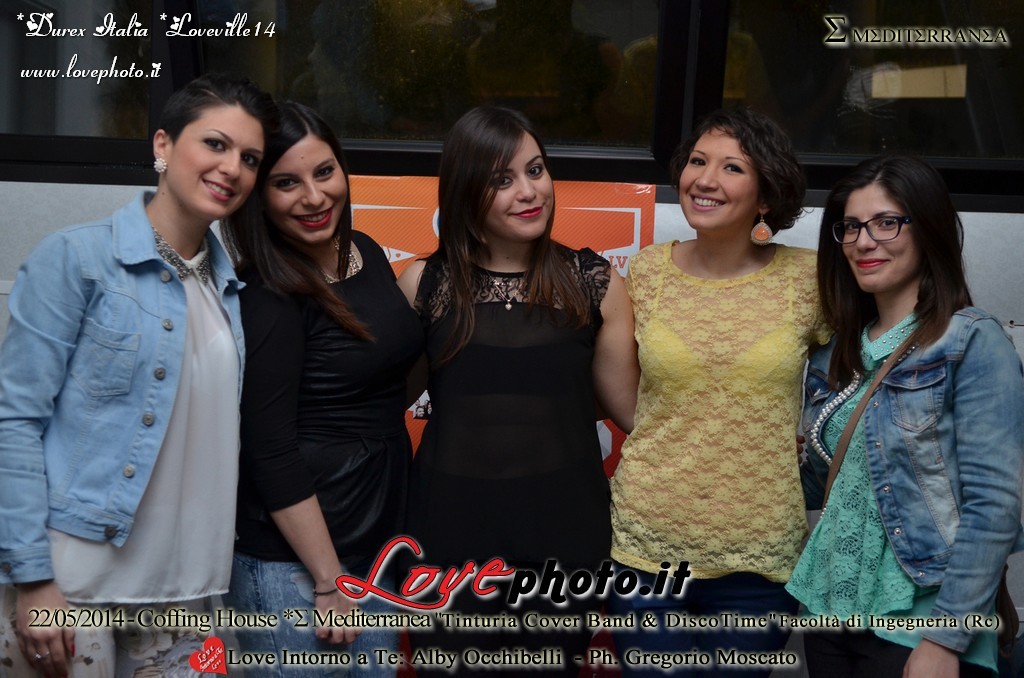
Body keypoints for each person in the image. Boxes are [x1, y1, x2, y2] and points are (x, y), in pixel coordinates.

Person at [0, 73, 277, 676]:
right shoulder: (77, 258)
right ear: (162, 145)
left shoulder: (230, 288)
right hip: (72, 586)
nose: (232, 168)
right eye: (215, 144)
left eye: (250, 158)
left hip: (186, 593)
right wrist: (32, 578)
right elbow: (14, 420)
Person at [395, 105, 638, 676]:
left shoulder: (594, 282)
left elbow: (632, 411)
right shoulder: (423, 284)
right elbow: (384, 402)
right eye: (501, 180)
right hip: (448, 538)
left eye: (535, 170)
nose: (529, 192)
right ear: (465, 192)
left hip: (562, 540)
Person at [608, 107, 830, 676]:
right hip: (647, 547)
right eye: (697, 162)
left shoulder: (809, 279)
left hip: (760, 557)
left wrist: (806, 440)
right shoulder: (647, 272)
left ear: (766, 196)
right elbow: (629, 397)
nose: (705, 179)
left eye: (732, 167)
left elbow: (863, 374)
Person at [787, 154, 1024, 677]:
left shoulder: (971, 340)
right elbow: (831, 484)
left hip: (921, 622)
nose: (864, 241)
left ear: (928, 228)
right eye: (851, 226)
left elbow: (995, 505)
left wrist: (946, 638)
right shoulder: (837, 351)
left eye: (886, 222)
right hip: (830, 612)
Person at [219, 102, 424, 676]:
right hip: (299, 568)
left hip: (374, 545)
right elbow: (269, 450)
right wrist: (329, 579)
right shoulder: (268, 295)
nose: (314, 197)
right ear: (258, 196)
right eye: (287, 182)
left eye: (324, 172)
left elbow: (384, 380)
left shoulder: (366, 253)